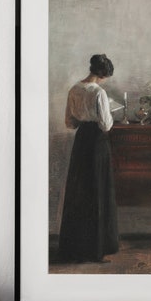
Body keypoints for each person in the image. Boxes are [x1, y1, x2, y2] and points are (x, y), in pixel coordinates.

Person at [57, 54, 119, 263]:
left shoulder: (74, 89)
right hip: (97, 143)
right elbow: (106, 124)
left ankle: (75, 247)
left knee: (80, 191)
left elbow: (70, 123)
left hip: (81, 140)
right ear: (102, 74)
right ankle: (97, 248)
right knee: (97, 190)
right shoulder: (99, 93)